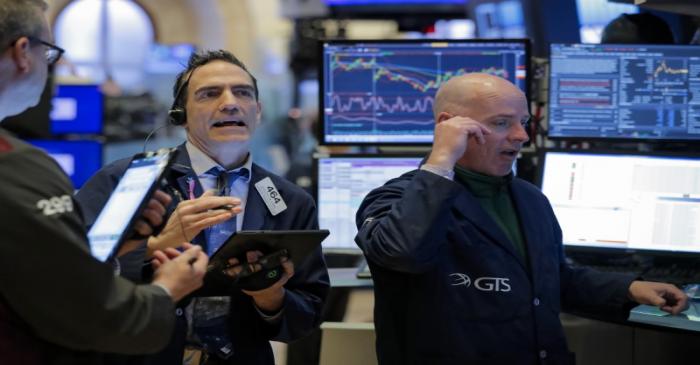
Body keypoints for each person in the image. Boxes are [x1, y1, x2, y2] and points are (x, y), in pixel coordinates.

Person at [354, 73, 688, 364]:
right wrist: (442, 160)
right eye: (501, 123)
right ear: (448, 126)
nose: (521, 136)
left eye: (523, 122)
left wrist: (629, 287)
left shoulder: (529, 199)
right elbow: (404, 254)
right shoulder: (395, 200)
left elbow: (552, 280)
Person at [75, 50, 330, 364]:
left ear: (258, 111)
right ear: (180, 115)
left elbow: (307, 315)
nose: (230, 102)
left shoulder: (289, 200)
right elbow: (70, 278)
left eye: (243, 93)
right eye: (210, 94)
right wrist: (153, 248)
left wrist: (271, 296)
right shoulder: (125, 182)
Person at [0, 0, 209, 363]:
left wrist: (111, 253)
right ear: (22, 52)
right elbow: (93, 316)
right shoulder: (18, 169)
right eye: (48, 53)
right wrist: (166, 288)